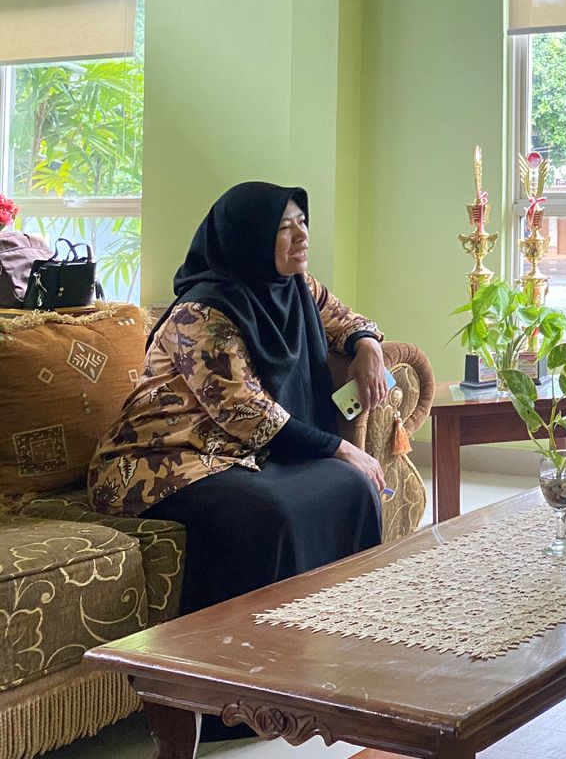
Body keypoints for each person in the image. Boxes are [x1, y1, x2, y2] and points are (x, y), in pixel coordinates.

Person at [88, 182, 391, 621]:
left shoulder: (297, 287)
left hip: (246, 454)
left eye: (302, 222)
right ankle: (246, 642)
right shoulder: (200, 313)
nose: (303, 236)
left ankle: (339, 621)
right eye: (284, 228)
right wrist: (340, 447)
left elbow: (347, 320)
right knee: (272, 512)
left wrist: (367, 345)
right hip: (167, 458)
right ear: (249, 237)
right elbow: (244, 410)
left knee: (352, 487)